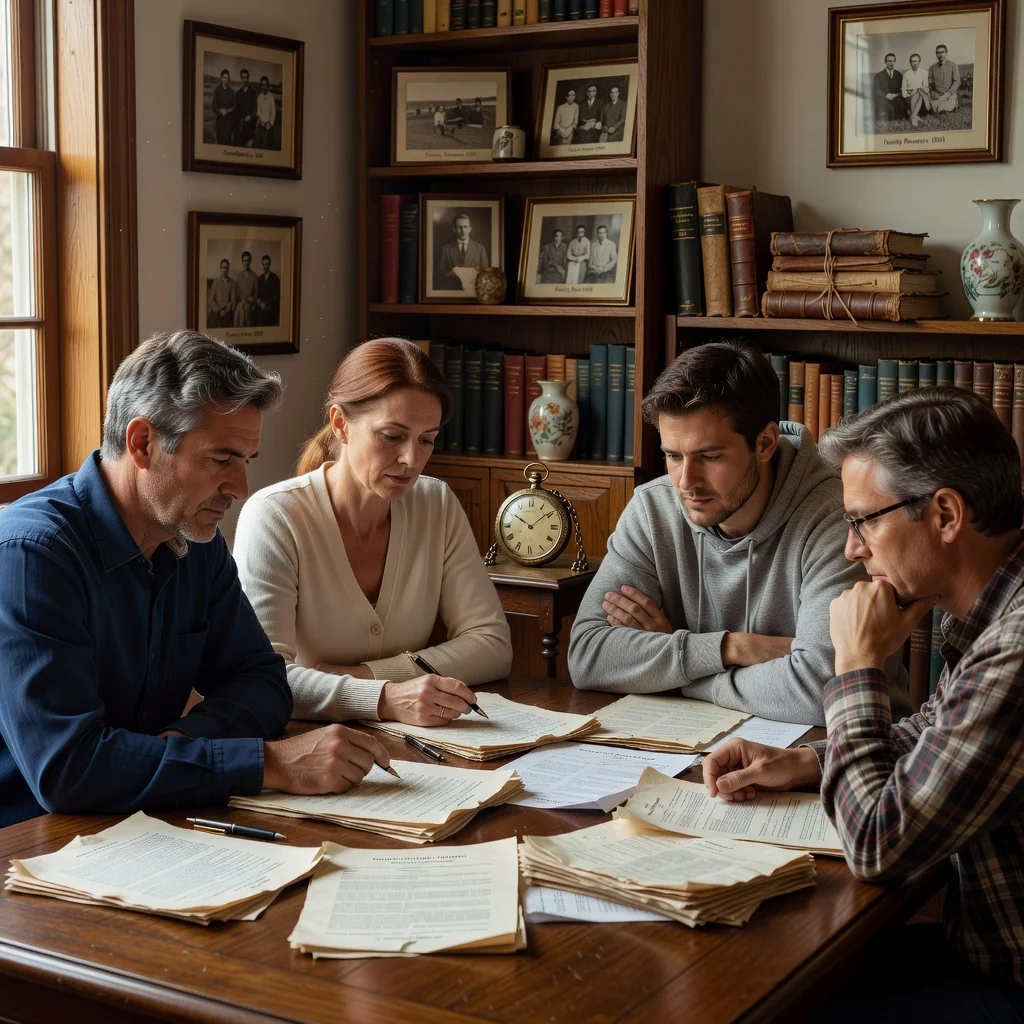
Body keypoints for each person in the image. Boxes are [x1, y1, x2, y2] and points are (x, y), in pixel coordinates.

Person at [704, 387, 1024, 1019]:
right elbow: (941, 735)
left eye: (865, 521)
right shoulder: (995, 608)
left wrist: (855, 666)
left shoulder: (1016, 647)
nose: (853, 549)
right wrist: (809, 761)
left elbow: (877, 845)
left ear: (946, 515)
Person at [0, 330, 395, 828]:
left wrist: (177, 749)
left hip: (149, 818)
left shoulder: (193, 538)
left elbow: (264, 681)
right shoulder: (33, 555)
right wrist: (267, 764)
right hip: (30, 842)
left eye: (245, 461)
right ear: (142, 443)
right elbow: (66, 769)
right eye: (220, 459)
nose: (240, 487)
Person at [567, 342, 908, 726]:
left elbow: (823, 690)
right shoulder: (653, 509)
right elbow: (588, 656)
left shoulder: (837, 518)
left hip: (829, 752)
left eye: (709, 457)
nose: (686, 482)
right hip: (693, 743)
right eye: (673, 456)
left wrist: (675, 671)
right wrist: (733, 647)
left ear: (763, 444)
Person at [234, 338, 513, 726]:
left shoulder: (436, 503)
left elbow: (493, 644)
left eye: (427, 439)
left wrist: (369, 675)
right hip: (307, 743)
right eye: (392, 436)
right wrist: (386, 699)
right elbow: (264, 678)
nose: (411, 460)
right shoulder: (275, 516)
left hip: (417, 741)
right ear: (340, 424)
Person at [438, 213, 488, 290]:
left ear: (470, 229)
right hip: (453, 290)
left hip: (475, 291)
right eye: (459, 227)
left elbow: (486, 273)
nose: (462, 230)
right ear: (454, 229)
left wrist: (472, 273)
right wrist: (454, 273)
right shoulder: (446, 249)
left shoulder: (480, 248)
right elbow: (441, 272)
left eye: (465, 227)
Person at [872, 52, 905, 122]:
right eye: (889, 61)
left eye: (893, 61)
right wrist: (886, 95)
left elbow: (903, 89)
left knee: (901, 107)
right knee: (888, 110)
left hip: (896, 99)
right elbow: (876, 90)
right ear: (885, 62)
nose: (892, 63)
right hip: (883, 99)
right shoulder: (878, 76)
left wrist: (896, 95)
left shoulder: (899, 75)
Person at [901, 53, 931, 127]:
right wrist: (910, 93)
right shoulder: (906, 74)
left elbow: (926, 90)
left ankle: (913, 117)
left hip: (923, 99)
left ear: (919, 62)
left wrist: (917, 89)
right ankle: (915, 116)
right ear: (910, 63)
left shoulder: (924, 73)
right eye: (913, 61)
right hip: (909, 98)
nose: (915, 63)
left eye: (916, 61)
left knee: (919, 92)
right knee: (916, 93)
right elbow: (904, 91)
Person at [929, 44, 960, 113]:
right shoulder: (932, 68)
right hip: (937, 96)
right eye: (938, 53)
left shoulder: (953, 65)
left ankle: (950, 106)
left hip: (949, 94)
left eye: (942, 52)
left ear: (946, 53)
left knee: (943, 109)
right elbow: (930, 83)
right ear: (936, 54)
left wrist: (949, 93)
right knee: (935, 109)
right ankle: (945, 107)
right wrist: (933, 93)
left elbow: (957, 81)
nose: (940, 55)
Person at [207, 258, 236, 328]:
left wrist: (230, 306)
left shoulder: (232, 283)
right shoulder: (216, 282)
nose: (224, 270)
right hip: (216, 311)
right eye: (222, 267)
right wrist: (218, 311)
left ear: (228, 269)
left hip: (227, 311)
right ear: (220, 269)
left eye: (226, 268)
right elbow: (211, 300)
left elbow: (233, 300)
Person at [233, 68, 258, 147]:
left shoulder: (253, 93)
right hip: (240, 128)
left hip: (249, 128)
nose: (244, 80)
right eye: (242, 77)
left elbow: (256, 109)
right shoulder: (238, 93)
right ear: (241, 78)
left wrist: (251, 116)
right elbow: (236, 110)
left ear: (248, 78)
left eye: (246, 77)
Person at [234, 251, 259, 327]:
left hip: (250, 304)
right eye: (244, 261)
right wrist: (242, 299)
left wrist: (247, 299)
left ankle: (238, 329)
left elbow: (256, 296)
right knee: (242, 307)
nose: (246, 263)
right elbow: (237, 294)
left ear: (250, 262)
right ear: (242, 262)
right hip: (241, 303)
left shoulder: (255, 276)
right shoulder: (239, 276)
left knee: (243, 306)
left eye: (247, 260)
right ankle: (245, 328)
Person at [256, 254, 280, 326]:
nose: (265, 267)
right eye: (263, 264)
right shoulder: (260, 279)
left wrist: (266, 303)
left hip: (271, 306)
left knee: (266, 316)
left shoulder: (274, 278)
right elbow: (258, 294)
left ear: (269, 264)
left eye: (266, 264)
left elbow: (276, 297)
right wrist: (259, 301)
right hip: (261, 306)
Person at [212, 68, 235, 145]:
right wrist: (220, 110)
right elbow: (214, 105)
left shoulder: (232, 92)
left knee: (227, 145)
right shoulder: (217, 90)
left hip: (229, 125)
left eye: (228, 78)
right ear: (221, 78)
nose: (226, 80)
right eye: (224, 78)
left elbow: (235, 107)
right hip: (220, 123)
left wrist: (228, 111)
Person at [255, 75, 277, 149]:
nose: (263, 87)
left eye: (265, 85)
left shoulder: (271, 96)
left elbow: (274, 112)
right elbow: (258, 112)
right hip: (261, 124)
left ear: (267, 86)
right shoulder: (259, 97)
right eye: (262, 85)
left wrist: (270, 124)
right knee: (259, 143)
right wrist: (261, 122)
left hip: (269, 125)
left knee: (268, 145)